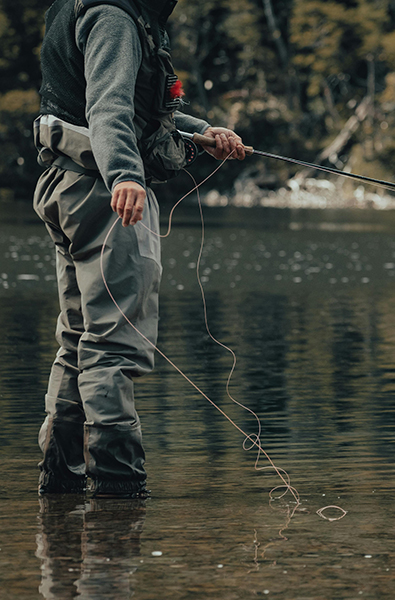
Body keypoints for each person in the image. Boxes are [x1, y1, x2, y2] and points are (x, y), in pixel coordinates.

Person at [34, 0, 246, 498]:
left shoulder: (96, 8)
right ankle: (118, 491)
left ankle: (60, 484)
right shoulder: (115, 18)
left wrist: (200, 133)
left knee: (79, 340)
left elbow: (134, 101)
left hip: (70, 185)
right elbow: (108, 106)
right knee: (113, 345)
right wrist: (126, 175)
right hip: (104, 194)